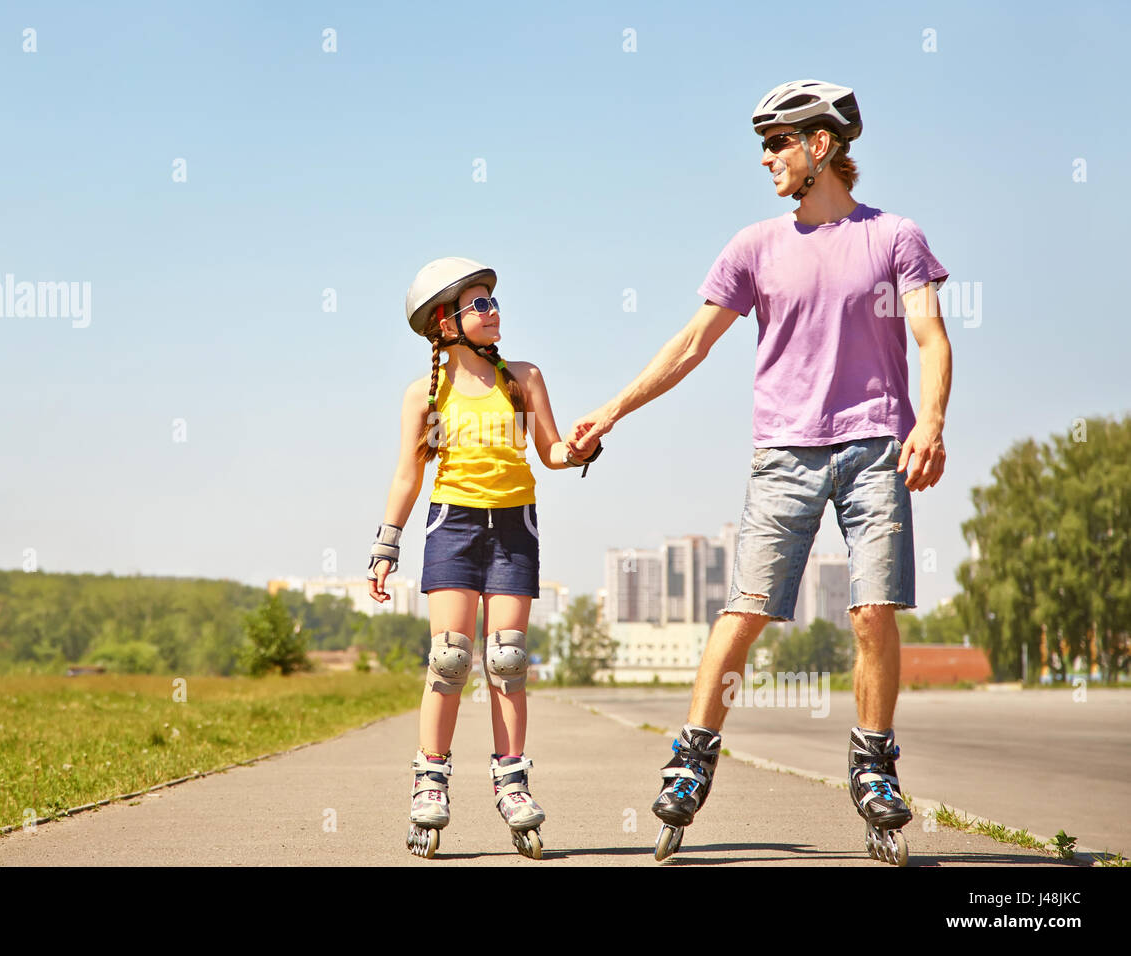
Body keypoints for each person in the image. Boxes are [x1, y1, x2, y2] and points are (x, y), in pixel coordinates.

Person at [567, 80, 952, 865]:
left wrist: (934, 423)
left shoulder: (895, 237)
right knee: (743, 611)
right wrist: (612, 410)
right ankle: (691, 757)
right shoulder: (754, 246)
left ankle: (873, 768)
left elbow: (932, 338)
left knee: (873, 610)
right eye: (763, 145)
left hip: (876, 443)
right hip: (783, 451)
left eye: (779, 142)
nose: (767, 158)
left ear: (821, 145)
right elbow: (689, 346)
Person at [367, 257, 602, 859]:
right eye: (479, 304)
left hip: (514, 529)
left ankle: (513, 783)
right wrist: (385, 546)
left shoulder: (523, 378)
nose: (493, 311)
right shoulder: (425, 394)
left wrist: (579, 449)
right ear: (444, 320)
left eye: (493, 302)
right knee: (449, 661)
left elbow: (548, 451)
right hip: (453, 526)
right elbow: (406, 475)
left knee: (508, 661)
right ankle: (430, 781)